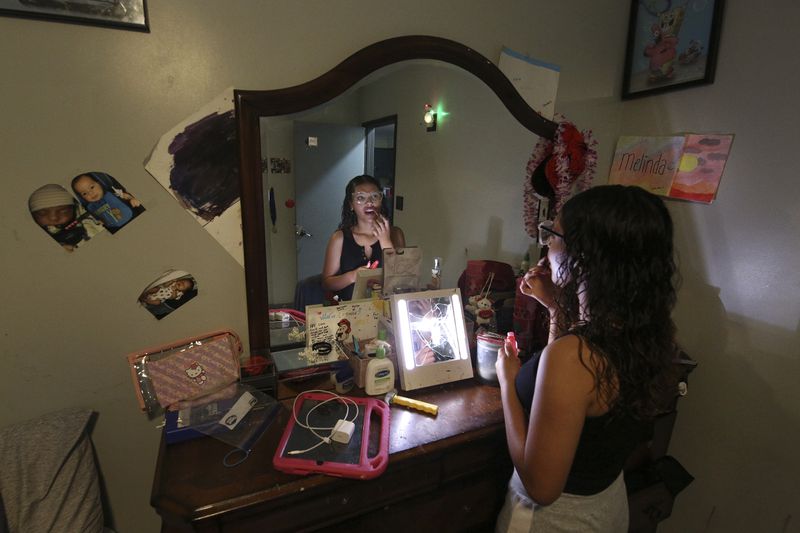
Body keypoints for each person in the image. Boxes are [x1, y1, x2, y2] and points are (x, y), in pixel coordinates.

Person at [495, 185, 679, 532]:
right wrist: (554, 309)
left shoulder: (573, 357)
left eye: (553, 235)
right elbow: (574, 392)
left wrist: (507, 384)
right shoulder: (644, 331)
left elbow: (541, 486)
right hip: (606, 505)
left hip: (556, 521)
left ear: (583, 256)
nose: (546, 245)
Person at [322, 175, 405, 301]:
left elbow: (401, 280)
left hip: (387, 310)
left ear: (381, 200)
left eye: (374, 196)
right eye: (361, 198)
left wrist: (385, 242)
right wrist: (353, 276)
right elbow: (327, 283)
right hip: (348, 312)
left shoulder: (396, 234)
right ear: (351, 204)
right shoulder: (339, 238)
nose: (370, 203)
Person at [28, 183, 104, 251]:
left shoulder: (90, 221)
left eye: (63, 211)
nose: (53, 217)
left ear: (74, 209)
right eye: (42, 213)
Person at [71, 172, 143, 232]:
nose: (90, 193)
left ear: (99, 183)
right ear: (81, 197)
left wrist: (132, 199)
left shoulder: (113, 192)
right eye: (84, 193)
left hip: (133, 218)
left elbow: (126, 196)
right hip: (116, 229)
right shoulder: (90, 207)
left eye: (92, 187)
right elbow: (96, 219)